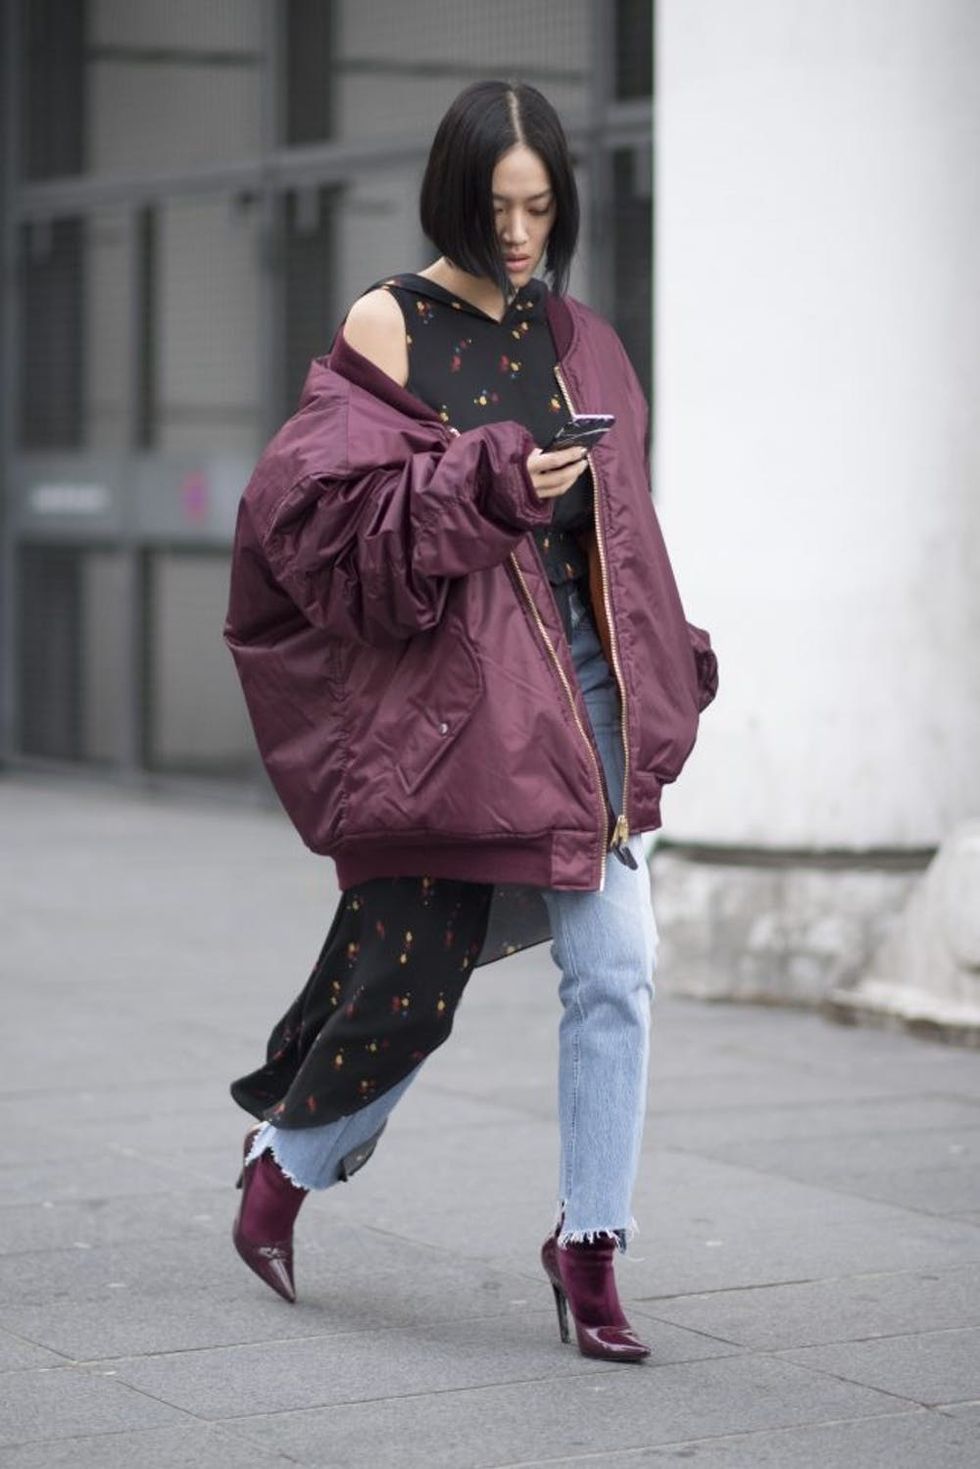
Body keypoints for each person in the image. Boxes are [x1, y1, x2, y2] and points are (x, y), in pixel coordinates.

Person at [224, 79, 718, 1364]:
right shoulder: (386, 325)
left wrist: (671, 644)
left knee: (614, 967)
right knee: (407, 984)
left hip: (587, 700)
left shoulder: (581, 338)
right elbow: (332, 528)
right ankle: (281, 1164)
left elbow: (625, 534)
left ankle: (590, 1245)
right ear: (454, 194)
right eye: (496, 206)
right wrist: (487, 477)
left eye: (539, 207)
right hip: (456, 706)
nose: (517, 233)